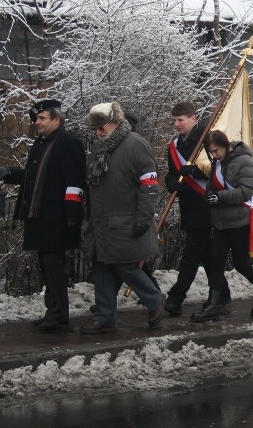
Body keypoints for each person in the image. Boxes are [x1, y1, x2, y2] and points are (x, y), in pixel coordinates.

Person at [0, 99, 86, 332]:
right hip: (40, 215)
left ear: (57, 119)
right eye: (36, 118)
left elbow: (75, 181)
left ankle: (58, 313)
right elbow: (34, 175)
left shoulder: (68, 142)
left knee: (53, 265)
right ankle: (53, 311)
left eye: (42, 118)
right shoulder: (43, 142)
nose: (37, 122)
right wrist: (10, 174)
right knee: (46, 264)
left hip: (57, 216)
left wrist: (72, 215)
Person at [80, 102, 164, 334]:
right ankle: (105, 317)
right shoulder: (101, 148)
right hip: (102, 224)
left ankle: (154, 299)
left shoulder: (136, 145)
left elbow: (149, 186)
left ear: (116, 123)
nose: (98, 132)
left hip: (125, 221)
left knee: (125, 266)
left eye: (101, 126)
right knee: (102, 268)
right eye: (95, 128)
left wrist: (143, 219)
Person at [192, 130, 253, 322]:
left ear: (225, 145)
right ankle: (213, 304)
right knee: (216, 263)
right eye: (211, 152)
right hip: (220, 221)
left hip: (238, 221)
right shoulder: (217, 163)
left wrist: (220, 196)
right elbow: (212, 185)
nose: (214, 155)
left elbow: (246, 192)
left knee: (241, 263)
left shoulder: (245, 161)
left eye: (217, 150)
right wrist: (210, 195)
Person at [163, 101, 231, 316]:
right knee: (205, 252)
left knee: (192, 252)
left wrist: (195, 171)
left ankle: (177, 296)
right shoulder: (174, 146)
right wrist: (170, 182)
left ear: (193, 118)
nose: (176, 124)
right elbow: (173, 172)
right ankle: (223, 291)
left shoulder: (207, 138)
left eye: (180, 120)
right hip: (188, 204)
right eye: (174, 120)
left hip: (205, 203)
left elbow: (219, 167)